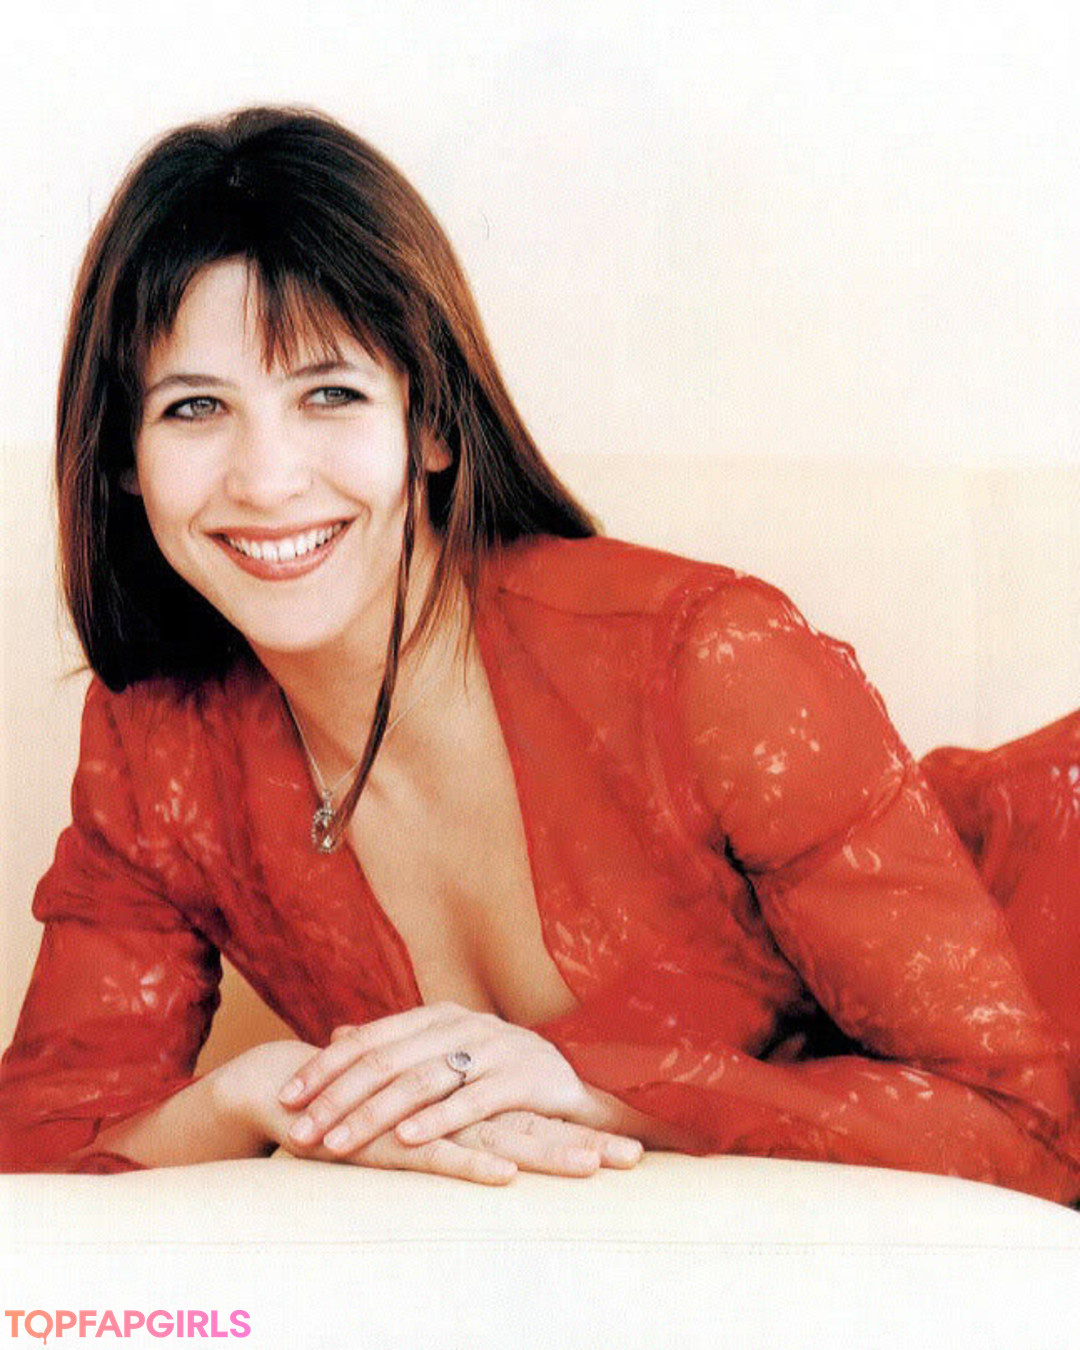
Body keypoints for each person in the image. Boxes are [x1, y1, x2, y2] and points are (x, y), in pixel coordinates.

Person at [1, 106, 1078, 1202]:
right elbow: (39, 1142)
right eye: (194, 408)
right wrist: (261, 1095)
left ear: (432, 424)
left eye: (331, 393)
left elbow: (1022, 1128)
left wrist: (589, 1087)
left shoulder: (710, 661)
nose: (267, 479)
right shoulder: (161, 747)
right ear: (124, 460)